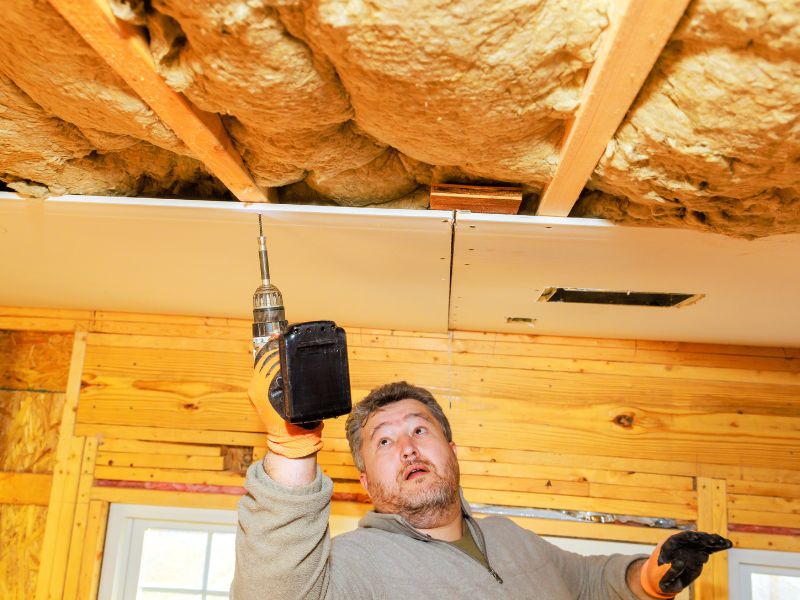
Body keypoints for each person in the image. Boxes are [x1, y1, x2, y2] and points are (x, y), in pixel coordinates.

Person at [232, 367, 731, 599]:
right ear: (364, 481)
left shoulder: (513, 539)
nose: (407, 447)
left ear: (451, 451)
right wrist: (293, 447)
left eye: (420, 430)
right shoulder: (349, 569)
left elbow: (588, 582)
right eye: (383, 442)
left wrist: (650, 575)